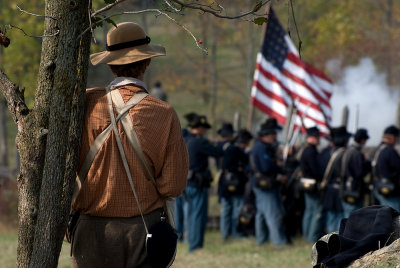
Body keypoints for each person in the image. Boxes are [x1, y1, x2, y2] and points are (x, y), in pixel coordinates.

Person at [71, 22, 189, 267]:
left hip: (90, 230)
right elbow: (173, 185)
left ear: (111, 64)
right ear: (147, 62)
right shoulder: (163, 113)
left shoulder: (84, 103)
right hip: (143, 229)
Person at [184, 113, 223, 252]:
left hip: (187, 183)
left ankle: (193, 243)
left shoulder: (186, 140)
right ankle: (195, 246)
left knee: (192, 214)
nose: (205, 131)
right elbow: (218, 153)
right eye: (204, 128)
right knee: (198, 216)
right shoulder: (200, 141)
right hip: (197, 183)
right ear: (199, 128)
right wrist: (222, 145)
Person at [250, 117, 288, 246]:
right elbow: (266, 167)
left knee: (261, 214)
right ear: (267, 135)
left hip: (262, 183)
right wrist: (277, 166)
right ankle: (279, 242)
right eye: (273, 134)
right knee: (273, 214)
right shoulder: (261, 148)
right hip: (265, 183)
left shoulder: (262, 147)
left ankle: (262, 240)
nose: (275, 136)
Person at [217, 126, 252, 240]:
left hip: (223, 180)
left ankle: (225, 233)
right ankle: (234, 232)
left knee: (226, 209)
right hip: (235, 180)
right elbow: (245, 159)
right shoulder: (234, 148)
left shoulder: (219, 147)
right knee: (236, 208)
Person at [321, 126, 352, 233]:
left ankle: (329, 241)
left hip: (328, 190)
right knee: (340, 218)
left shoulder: (324, 153)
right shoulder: (346, 154)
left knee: (330, 218)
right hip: (341, 191)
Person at [299, 126, 324, 243]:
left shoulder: (306, 150)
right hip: (313, 184)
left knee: (309, 211)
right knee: (316, 210)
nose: (319, 139)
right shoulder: (311, 151)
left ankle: (306, 235)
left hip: (306, 184)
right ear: (312, 137)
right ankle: (312, 238)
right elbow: (316, 170)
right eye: (318, 137)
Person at [340, 128, 371, 217]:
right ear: (362, 140)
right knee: (352, 218)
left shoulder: (348, 151)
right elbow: (359, 173)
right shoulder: (356, 153)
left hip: (346, 187)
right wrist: (367, 164)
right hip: (354, 189)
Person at [372, 125, 400, 211]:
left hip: (378, 186)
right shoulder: (390, 151)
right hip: (390, 190)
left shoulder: (378, 149)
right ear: (392, 137)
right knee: (393, 219)